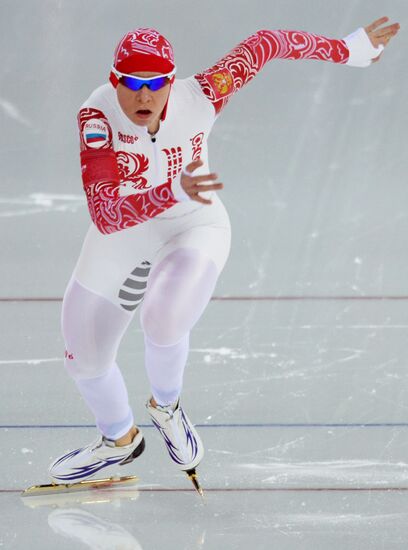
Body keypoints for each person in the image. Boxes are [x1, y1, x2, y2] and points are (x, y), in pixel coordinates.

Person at [48, 17, 400, 488]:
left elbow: (268, 42)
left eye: (155, 85)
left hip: (195, 225)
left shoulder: (204, 93)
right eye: (132, 85)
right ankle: (119, 440)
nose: (145, 97)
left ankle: (167, 407)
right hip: (128, 230)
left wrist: (350, 50)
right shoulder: (97, 117)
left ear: (171, 82)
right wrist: (170, 190)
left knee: (164, 318)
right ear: (116, 82)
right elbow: (107, 215)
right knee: (83, 355)